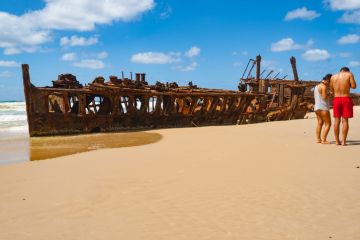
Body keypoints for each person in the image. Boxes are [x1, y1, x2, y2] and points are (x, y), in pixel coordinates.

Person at [330, 67, 357, 146]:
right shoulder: (349, 74)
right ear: (347, 71)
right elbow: (354, 86)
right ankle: (344, 141)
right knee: (345, 121)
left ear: (340, 71)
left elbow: (331, 89)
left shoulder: (333, 77)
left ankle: (337, 141)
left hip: (336, 99)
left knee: (336, 120)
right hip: (346, 98)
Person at [314, 74, 332, 144]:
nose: (330, 84)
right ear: (327, 80)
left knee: (319, 123)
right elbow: (324, 97)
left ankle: (318, 139)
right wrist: (330, 93)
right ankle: (324, 140)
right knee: (328, 124)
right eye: (330, 82)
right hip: (323, 107)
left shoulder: (316, 86)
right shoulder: (324, 87)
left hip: (317, 108)